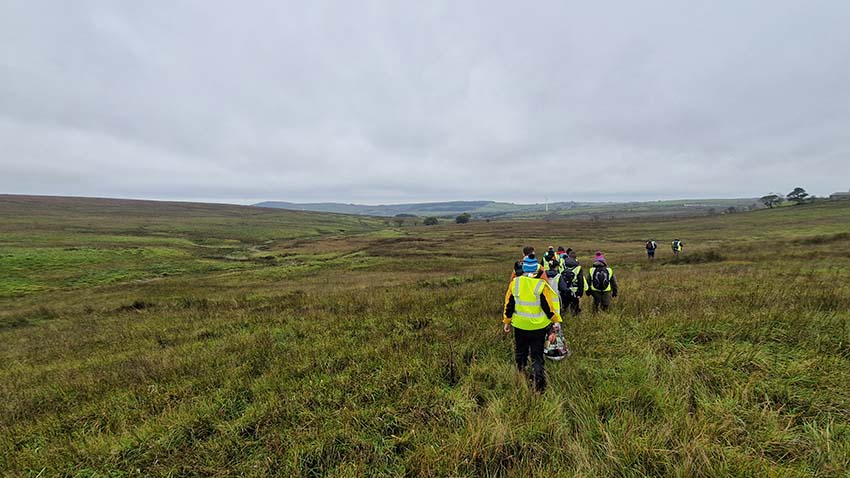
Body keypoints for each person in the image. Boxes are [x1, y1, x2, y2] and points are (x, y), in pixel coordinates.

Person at [503, 252, 562, 392]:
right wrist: (555, 323)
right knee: (537, 356)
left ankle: (520, 378)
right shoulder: (541, 285)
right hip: (538, 328)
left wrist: (507, 322)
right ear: (536, 269)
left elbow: (509, 305)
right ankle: (539, 387)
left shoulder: (515, 283)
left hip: (520, 327)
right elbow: (549, 307)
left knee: (520, 353)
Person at [558, 250, 586, 316]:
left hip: (563, 290)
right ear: (575, 258)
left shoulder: (562, 265)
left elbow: (558, 278)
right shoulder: (578, 268)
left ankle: (563, 319)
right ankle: (574, 319)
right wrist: (580, 293)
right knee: (574, 308)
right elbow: (580, 281)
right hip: (574, 291)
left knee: (564, 307)